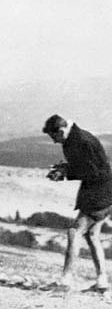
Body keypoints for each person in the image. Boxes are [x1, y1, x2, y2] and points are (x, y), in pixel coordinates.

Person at [43, 114, 112, 290]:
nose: (54, 142)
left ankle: (66, 281)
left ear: (60, 130)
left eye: (53, 137)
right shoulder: (76, 138)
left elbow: (94, 172)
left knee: (75, 232)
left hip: (99, 193)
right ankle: (102, 281)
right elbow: (88, 168)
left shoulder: (81, 141)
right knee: (92, 235)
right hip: (105, 192)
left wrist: (66, 172)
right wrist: (65, 170)